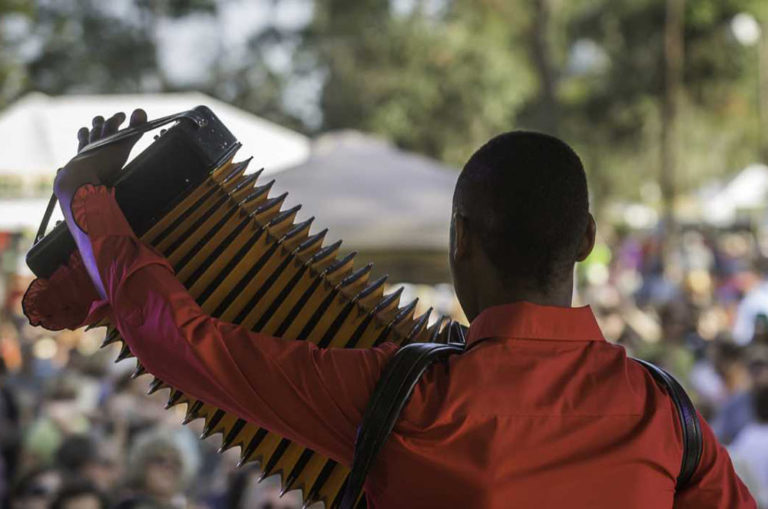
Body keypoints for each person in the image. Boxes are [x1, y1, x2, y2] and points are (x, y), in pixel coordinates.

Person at [24, 111, 757, 508]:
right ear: (588, 240)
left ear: (459, 239)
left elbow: (188, 345)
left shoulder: (411, 399)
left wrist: (92, 206)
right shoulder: (664, 414)